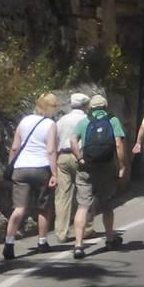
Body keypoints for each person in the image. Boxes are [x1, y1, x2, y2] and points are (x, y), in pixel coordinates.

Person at [3, 92, 60, 260]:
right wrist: (54, 173)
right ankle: (42, 242)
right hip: (41, 168)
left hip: (21, 168)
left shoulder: (24, 121)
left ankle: (9, 242)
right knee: (43, 207)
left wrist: (10, 166)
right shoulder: (50, 124)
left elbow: (14, 147)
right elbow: (50, 150)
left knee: (19, 208)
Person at [70, 95, 128, 259]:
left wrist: (79, 158)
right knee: (107, 204)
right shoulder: (113, 120)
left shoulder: (84, 121)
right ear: (105, 106)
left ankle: (78, 245)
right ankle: (110, 239)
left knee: (82, 206)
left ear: (90, 108)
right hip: (106, 168)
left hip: (86, 168)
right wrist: (122, 165)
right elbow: (118, 144)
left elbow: (73, 140)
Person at [53, 93, 89, 241]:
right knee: (85, 193)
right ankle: (86, 228)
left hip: (62, 156)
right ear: (85, 106)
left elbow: (54, 140)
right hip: (80, 157)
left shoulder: (61, 120)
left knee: (62, 196)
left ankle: (61, 232)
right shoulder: (86, 120)